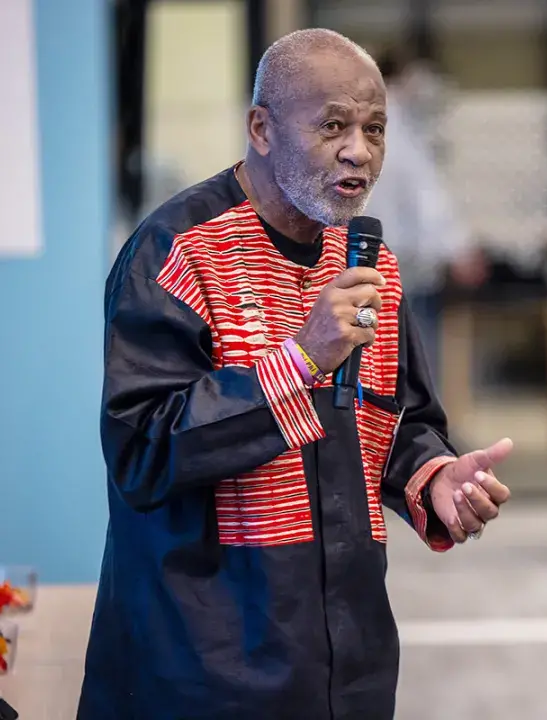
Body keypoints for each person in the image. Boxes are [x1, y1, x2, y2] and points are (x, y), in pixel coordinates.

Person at [78, 28, 513, 720]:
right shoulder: (178, 252)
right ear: (261, 128)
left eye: (375, 129)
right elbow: (142, 452)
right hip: (205, 668)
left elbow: (397, 425)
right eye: (334, 126)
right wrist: (300, 357)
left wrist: (437, 477)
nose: (359, 151)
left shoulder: (371, 263)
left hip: (347, 663)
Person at [363, 49, 487, 380]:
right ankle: (418, 429)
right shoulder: (394, 127)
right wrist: (458, 248)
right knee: (411, 365)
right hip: (401, 269)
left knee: (384, 361)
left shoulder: (375, 127)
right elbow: (426, 198)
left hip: (379, 265)